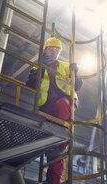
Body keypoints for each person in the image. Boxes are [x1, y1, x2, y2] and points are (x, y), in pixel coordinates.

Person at [26, 37, 83, 184]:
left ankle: (58, 142)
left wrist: (75, 74)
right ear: (45, 50)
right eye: (51, 50)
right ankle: (53, 181)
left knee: (63, 107)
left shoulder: (65, 65)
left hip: (65, 104)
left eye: (56, 51)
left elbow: (77, 87)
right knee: (56, 150)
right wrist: (42, 67)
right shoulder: (38, 66)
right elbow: (31, 84)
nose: (53, 53)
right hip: (46, 108)